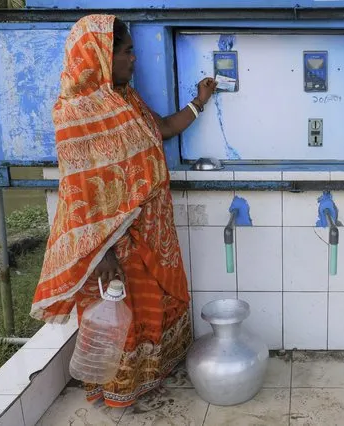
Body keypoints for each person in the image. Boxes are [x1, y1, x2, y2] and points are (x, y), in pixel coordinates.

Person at [30, 14, 216, 407]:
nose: (134, 60)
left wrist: (199, 102)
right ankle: (116, 391)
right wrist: (103, 254)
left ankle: (147, 381)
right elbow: (79, 195)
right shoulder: (74, 115)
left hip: (150, 234)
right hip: (112, 249)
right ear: (101, 55)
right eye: (128, 52)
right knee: (119, 318)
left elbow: (162, 127)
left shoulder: (125, 100)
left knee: (149, 314)